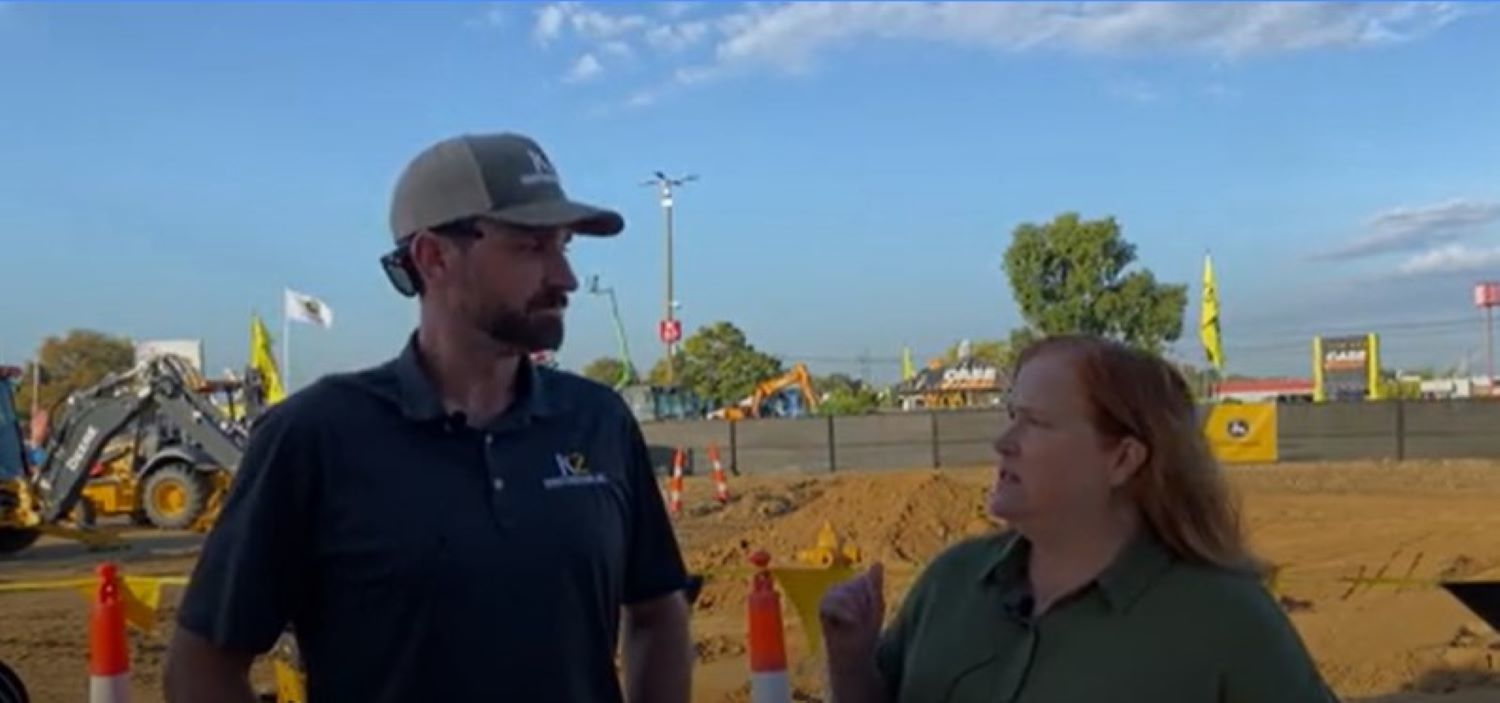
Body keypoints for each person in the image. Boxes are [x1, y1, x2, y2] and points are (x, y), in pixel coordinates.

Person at [164, 132, 694, 703]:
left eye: (564, 246)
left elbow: (658, 613)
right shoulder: (315, 436)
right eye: (531, 247)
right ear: (432, 257)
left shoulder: (598, 420)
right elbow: (202, 669)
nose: (564, 277)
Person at [819, 334, 1338, 703]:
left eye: (1037, 422)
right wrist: (851, 659)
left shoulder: (1226, 618)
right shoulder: (949, 582)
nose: (1003, 443)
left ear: (1122, 460)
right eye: (1011, 416)